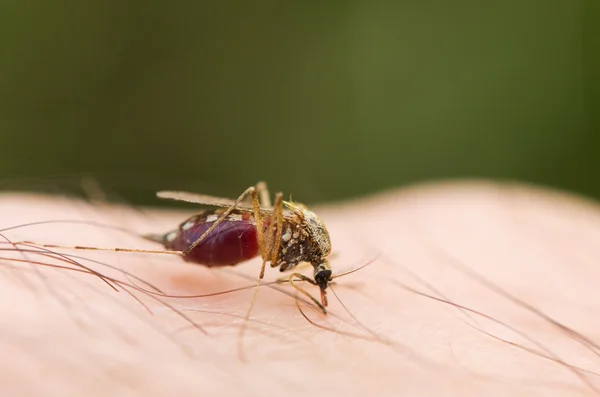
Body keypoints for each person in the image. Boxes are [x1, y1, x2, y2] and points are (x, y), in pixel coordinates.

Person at [1, 181, 598, 396]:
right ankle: (165, 239)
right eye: (321, 282)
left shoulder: (313, 250)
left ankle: (162, 239)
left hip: (257, 235)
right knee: (268, 211)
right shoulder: (294, 242)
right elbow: (283, 220)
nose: (319, 284)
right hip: (241, 237)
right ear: (316, 265)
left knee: (271, 216)